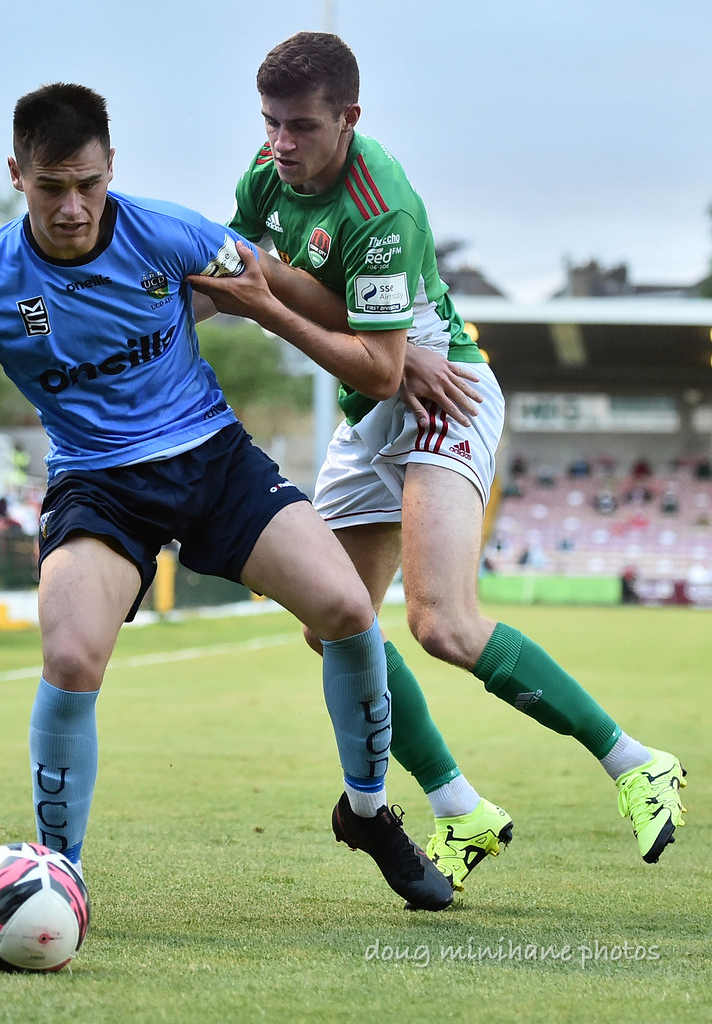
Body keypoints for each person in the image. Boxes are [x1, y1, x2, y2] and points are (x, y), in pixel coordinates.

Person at [0, 83, 454, 912]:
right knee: (71, 657)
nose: (73, 208)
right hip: (97, 483)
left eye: (88, 184)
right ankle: (56, 878)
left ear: (111, 167)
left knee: (345, 607)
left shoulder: (170, 232)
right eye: (52, 188)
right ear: (17, 175)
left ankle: (368, 813)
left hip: (212, 457)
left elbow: (276, 284)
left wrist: (390, 350)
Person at [190, 32, 687, 889]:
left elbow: (377, 360)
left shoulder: (381, 207)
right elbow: (238, 273)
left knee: (441, 625)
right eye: (270, 123)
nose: (280, 144)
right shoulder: (265, 174)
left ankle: (637, 762)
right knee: (330, 625)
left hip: (440, 395)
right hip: (370, 409)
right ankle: (462, 808)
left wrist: (267, 308)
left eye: (301, 126)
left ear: (348, 118)